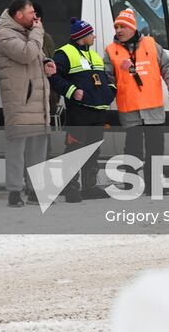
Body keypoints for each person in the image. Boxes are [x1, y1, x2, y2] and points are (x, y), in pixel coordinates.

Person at [105, 8, 169, 190]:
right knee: (132, 149)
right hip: (130, 109)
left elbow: (168, 68)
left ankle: (154, 185)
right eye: (116, 27)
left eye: (122, 26)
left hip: (153, 108)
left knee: (156, 149)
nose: (118, 30)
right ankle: (130, 184)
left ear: (132, 28)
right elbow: (107, 79)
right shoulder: (111, 51)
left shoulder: (151, 45)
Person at [0, 0, 54, 208]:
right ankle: (14, 192)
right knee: (17, 149)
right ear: (19, 15)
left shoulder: (27, 32)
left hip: (37, 99)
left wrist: (47, 62)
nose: (35, 17)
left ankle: (36, 191)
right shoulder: (5, 33)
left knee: (37, 149)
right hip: (20, 100)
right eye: (31, 13)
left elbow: (37, 55)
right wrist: (38, 31)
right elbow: (26, 54)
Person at [49, 17, 115, 203]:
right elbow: (53, 77)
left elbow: (104, 79)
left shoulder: (94, 55)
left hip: (98, 111)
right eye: (91, 33)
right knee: (75, 149)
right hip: (79, 112)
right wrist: (72, 91)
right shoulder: (64, 53)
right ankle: (70, 188)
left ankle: (89, 187)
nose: (94, 36)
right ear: (82, 36)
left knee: (94, 150)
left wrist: (111, 91)